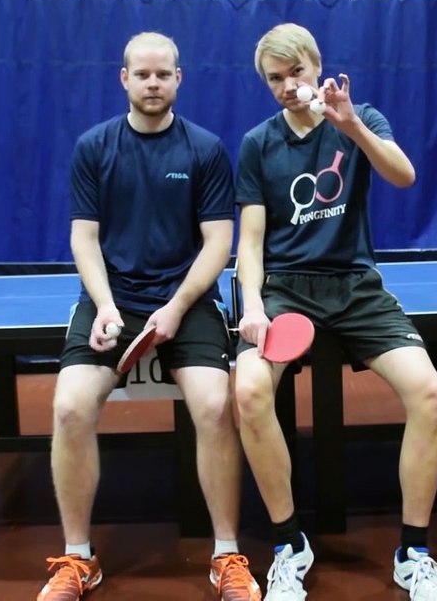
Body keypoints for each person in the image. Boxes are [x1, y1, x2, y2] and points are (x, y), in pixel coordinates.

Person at [233, 23, 437, 601]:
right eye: (275, 79)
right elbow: (250, 242)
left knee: (430, 392)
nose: (287, 86)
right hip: (285, 289)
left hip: (355, 286)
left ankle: (414, 553)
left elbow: (404, 176)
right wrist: (251, 306)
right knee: (249, 392)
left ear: (317, 65)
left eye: (296, 73)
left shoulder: (361, 118)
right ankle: (289, 545)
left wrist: (349, 124)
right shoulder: (258, 144)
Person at [38, 32, 260, 601]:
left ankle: (227, 554)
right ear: (125, 78)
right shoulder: (94, 147)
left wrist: (177, 307)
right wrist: (107, 304)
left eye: (164, 75)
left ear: (179, 79)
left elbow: (218, 244)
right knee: (68, 408)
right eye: (143, 75)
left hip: (186, 299)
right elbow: (83, 238)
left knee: (214, 406)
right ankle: (77, 559)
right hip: (113, 299)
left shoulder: (205, 149)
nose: (154, 83)